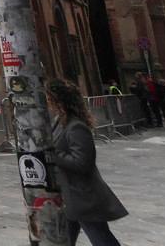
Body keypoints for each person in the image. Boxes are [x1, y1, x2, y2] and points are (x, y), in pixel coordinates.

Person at [49, 78, 127, 245]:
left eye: (49, 99)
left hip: (82, 197)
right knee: (65, 239)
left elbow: (82, 163)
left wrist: (53, 155)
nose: (48, 103)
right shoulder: (59, 121)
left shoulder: (76, 126)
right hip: (69, 194)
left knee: (101, 238)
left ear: (58, 101)